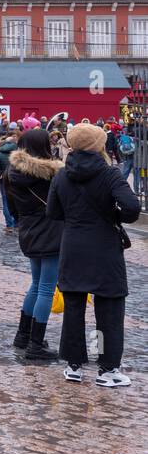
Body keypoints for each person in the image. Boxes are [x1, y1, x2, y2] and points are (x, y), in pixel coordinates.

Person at [48, 124, 139, 387]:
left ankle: (74, 365)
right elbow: (132, 206)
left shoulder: (62, 175)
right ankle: (107, 368)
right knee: (108, 309)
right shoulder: (109, 174)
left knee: (74, 307)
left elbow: (53, 213)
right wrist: (116, 216)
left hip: (73, 245)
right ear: (99, 145)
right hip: (104, 248)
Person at [4, 128, 65, 361]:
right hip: (50, 231)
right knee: (47, 288)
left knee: (36, 284)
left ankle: (23, 335)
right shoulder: (51, 173)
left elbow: (11, 207)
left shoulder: (12, 171)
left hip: (28, 230)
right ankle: (36, 344)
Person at [0, 131, 20, 233]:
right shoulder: (18, 153)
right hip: (17, 179)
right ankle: (17, 223)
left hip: (4, 179)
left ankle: (9, 225)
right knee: (17, 200)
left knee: (5, 202)